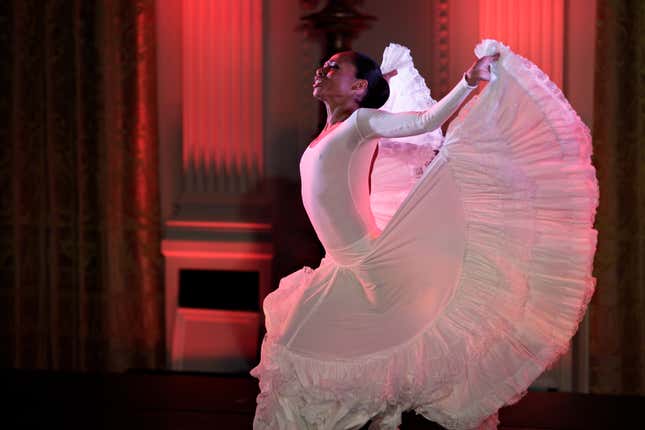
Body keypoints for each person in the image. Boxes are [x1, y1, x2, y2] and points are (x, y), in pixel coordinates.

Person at [251, 40, 598, 430]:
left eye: (334, 68)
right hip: (341, 269)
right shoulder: (326, 133)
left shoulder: (362, 123)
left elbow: (424, 121)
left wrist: (468, 82)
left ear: (359, 88)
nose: (321, 70)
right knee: (298, 352)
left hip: (372, 270)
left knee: (338, 362)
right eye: (323, 65)